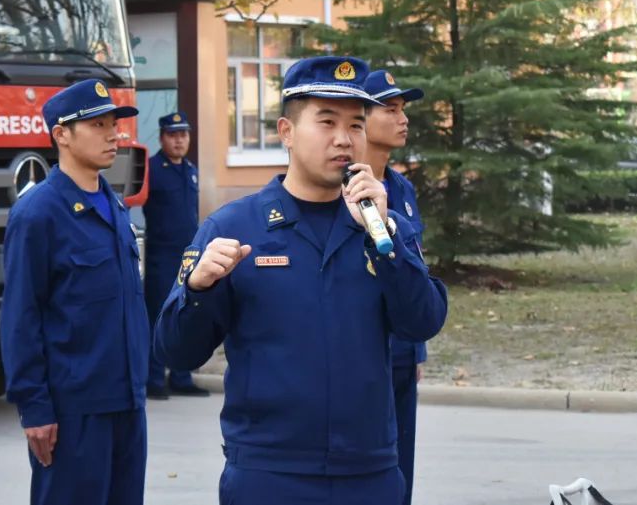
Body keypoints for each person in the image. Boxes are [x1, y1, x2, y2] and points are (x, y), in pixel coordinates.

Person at [155, 55, 448, 505]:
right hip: (269, 472)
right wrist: (198, 290)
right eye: (327, 122)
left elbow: (422, 321)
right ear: (287, 132)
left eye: (355, 125)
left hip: (367, 471)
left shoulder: (383, 225)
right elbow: (177, 352)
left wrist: (386, 240)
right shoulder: (234, 227)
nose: (343, 138)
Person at [0, 78, 149, 505]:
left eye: (113, 124)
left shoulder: (115, 206)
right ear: (61, 135)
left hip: (127, 402)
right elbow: (21, 316)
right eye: (97, 125)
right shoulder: (38, 214)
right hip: (74, 409)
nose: (112, 134)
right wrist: (35, 407)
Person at [364, 69, 427, 505]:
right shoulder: (344, 189)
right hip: (365, 351)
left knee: (402, 470)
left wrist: (417, 347)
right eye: (390, 109)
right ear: (362, 118)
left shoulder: (401, 189)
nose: (402, 119)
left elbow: (415, 267)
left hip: (402, 350)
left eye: (403, 109)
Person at [143, 111, 209, 399]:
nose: (179, 140)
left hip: (188, 257)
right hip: (161, 256)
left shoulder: (191, 170)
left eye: (183, 134)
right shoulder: (151, 169)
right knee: (158, 316)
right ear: (162, 138)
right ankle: (154, 379)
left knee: (185, 315)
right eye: (173, 135)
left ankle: (181, 377)